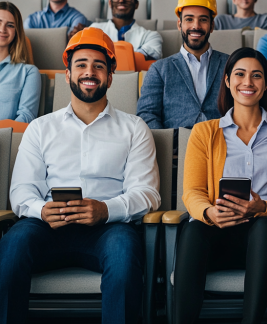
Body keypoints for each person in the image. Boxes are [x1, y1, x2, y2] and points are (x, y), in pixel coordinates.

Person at [0, 27, 160, 323]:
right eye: (81, 65)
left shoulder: (134, 128)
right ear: (68, 74)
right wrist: (41, 209)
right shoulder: (40, 128)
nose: (90, 72)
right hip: (46, 226)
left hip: (109, 228)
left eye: (99, 66)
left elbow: (147, 193)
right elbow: (22, 191)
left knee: (125, 259)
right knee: (11, 249)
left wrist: (104, 210)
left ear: (111, 76)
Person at [174, 47, 267, 324]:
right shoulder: (204, 132)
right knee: (194, 228)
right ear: (227, 80)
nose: (247, 82)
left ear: (266, 84)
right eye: (239, 74)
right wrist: (209, 213)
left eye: (256, 76)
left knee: (262, 226)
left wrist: (262, 207)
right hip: (220, 234)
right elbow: (192, 192)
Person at [137, 0, 229, 141]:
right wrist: (169, 146)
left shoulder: (230, 64)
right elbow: (147, 114)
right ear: (179, 24)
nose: (196, 26)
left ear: (212, 26)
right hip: (177, 150)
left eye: (203, 20)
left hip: (222, 147)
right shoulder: (160, 69)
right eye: (189, 19)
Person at [90, 0, 162, 60]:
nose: (121, 0)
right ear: (110, 3)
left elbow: (151, 61)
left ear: (136, 4)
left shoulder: (151, 36)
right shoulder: (95, 29)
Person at [0, 2, 41, 123]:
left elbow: (26, 117)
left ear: (16, 32)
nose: (2, 29)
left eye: (10, 25)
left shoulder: (29, 72)